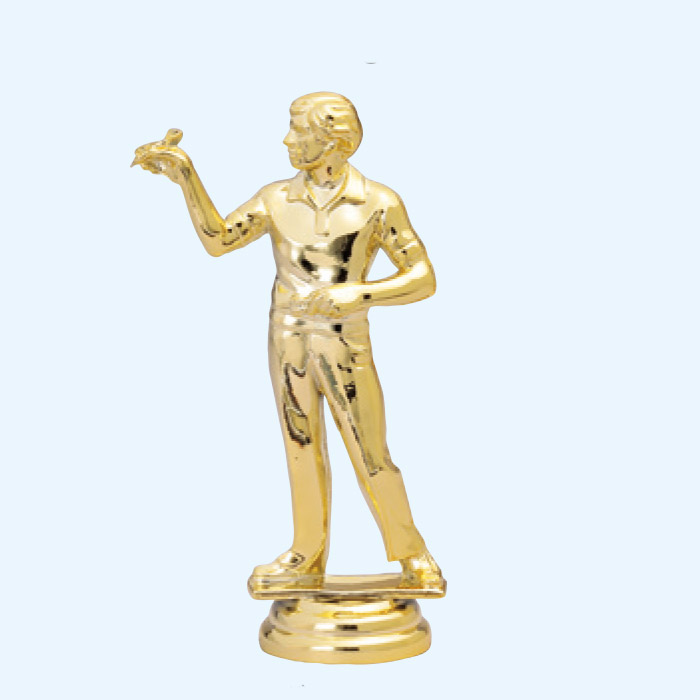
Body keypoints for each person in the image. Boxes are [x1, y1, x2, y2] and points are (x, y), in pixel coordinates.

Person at [133, 92, 443, 588]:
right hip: (287, 339)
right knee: (301, 445)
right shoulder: (276, 197)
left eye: (299, 131)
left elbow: (423, 277)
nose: (287, 140)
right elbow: (219, 239)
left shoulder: (378, 201)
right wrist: (186, 176)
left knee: (369, 452)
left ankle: (413, 555)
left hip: (345, 343)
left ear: (334, 141)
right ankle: (306, 555)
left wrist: (360, 293)